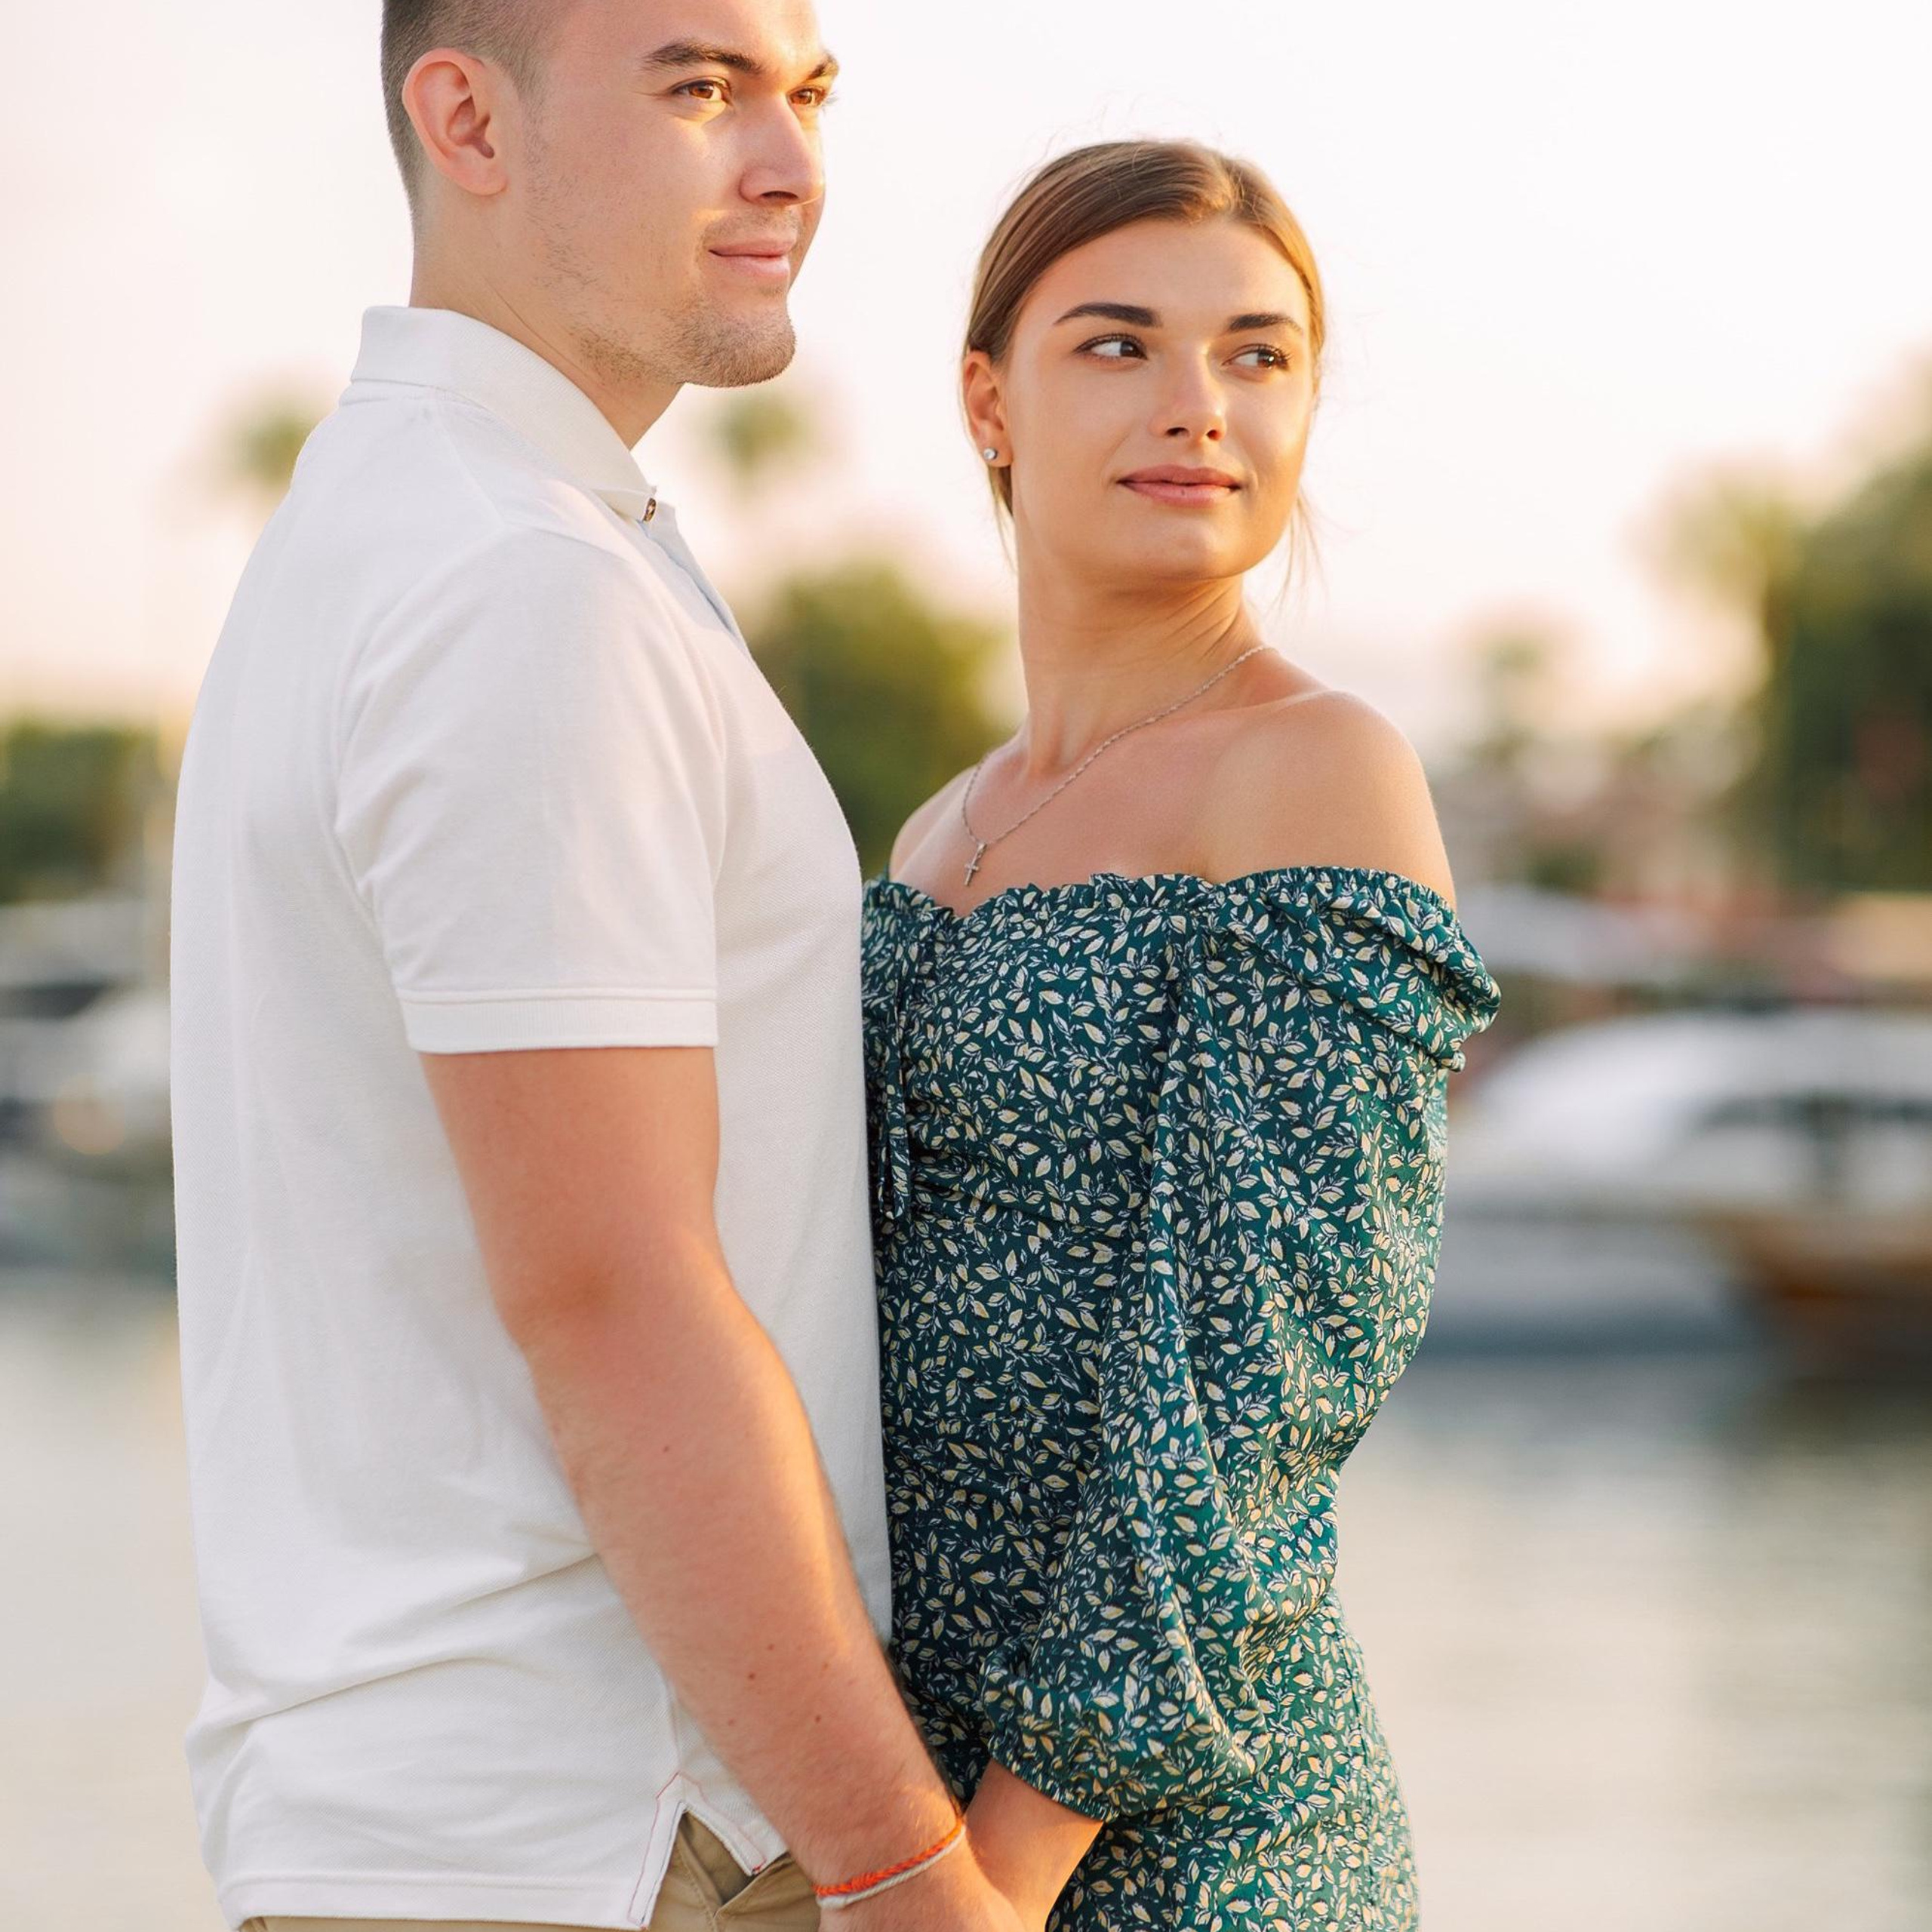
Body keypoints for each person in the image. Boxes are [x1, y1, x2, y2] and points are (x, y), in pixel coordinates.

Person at [168, 4, 1025, 1928]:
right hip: (612, 1831)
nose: (792, 166)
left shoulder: (409, 529)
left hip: (459, 1819)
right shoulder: (515, 580)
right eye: (697, 84)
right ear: (466, 116)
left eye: (805, 95)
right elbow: (615, 1293)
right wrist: (900, 1868)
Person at [861, 140, 1505, 1930]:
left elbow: (1265, 1376)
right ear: (987, 399)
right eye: (1118, 344)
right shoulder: (932, 830)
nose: (1197, 407)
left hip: (1188, 1840)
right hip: (893, 1809)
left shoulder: (1316, 771)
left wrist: (996, 1863)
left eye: (1256, 354)